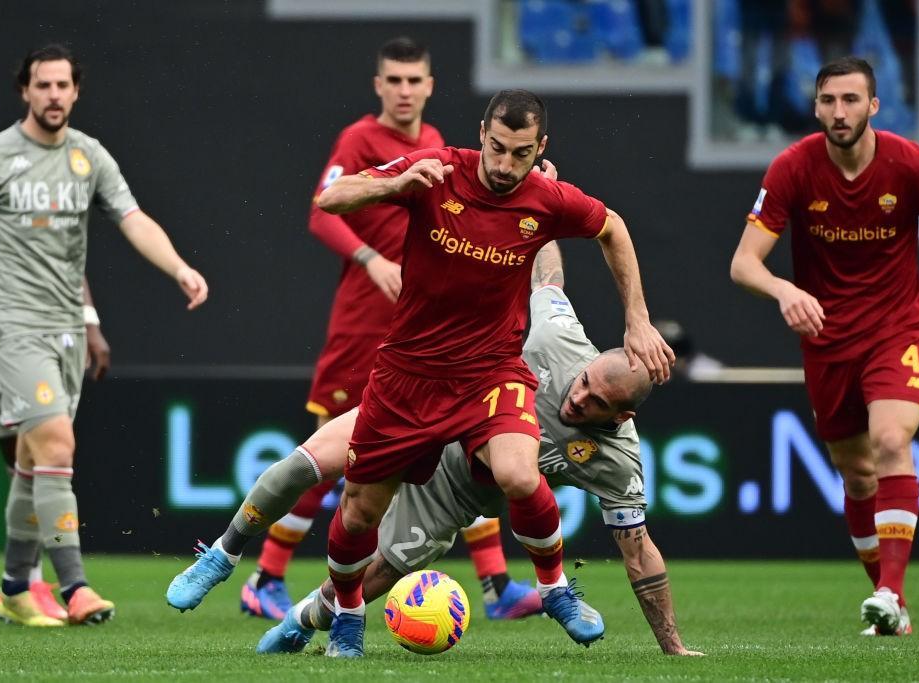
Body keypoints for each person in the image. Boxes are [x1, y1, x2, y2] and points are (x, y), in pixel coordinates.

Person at [169, 90, 673, 658]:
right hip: (410, 374)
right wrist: (393, 186)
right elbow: (332, 197)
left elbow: (613, 228)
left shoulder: (545, 198)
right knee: (339, 496)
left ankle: (553, 590)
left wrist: (637, 319)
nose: (507, 166)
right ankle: (230, 559)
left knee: (518, 475)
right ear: (482, 132)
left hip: (488, 373)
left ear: (542, 149)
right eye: (499, 149)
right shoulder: (436, 172)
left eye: (522, 154)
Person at [255, 241, 703, 657]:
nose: (579, 397)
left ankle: (301, 619)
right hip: (430, 422)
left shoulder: (618, 461)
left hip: (450, 495)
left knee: (380, 572)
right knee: (317, 469)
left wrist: (672, 647)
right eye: (585, 381)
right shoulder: (558, 338)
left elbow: (639, 552)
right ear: (587, 364)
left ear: (622, 418)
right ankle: (234, 559)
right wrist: (540, 204)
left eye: (598, 404)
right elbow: (546, 278)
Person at [244, 37, 539, 624]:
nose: (405, 91)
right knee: (330, 456)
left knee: (464, 450)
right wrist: (369, 260)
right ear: (378, 85)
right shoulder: (360, 139)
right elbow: (320, 211)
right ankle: (266, 576)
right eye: (394, 81)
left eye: (415, 81)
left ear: (431, 86)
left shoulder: (435, 146)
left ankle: (498, 583)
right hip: (364, 323)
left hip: (431, 337)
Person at [0, 45, 208, 626]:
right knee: (58, 446)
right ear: (25, 91)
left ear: (75, 91)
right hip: (11, 327)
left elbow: (133, 219)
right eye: (43, 86)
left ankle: (16, 586)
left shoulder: (87, 156)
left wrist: (178, 268)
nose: (54, 96)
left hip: (65, 327)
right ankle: (75, 587)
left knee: (30, 457)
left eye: (63, 86)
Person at [730, 56, 919, 636]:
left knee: (891, 439)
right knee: (856, 474)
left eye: (850, 100)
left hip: (897, 328)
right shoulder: (793, 168)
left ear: (873, 106)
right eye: (828, 101)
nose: (838, 112)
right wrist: (783, 288)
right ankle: (891, 606)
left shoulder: (911, 164)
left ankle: (891, 590)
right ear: (815, 107)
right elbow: (743, 264)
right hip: (827, 339)